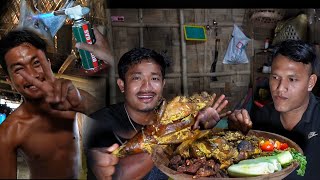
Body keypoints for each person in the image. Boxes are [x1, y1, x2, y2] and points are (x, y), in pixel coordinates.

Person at [81, 45, 251, 180]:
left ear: (163, 84)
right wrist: (186, 132)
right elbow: (119, 175)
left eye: (154, 78)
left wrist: (207, 128)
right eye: (137, 78)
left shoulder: (171, 114)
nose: (147, 87)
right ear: (122, 85)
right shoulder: (99, 122)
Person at [0, 28, 109, 179]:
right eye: (19, 69)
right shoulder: (10, 131)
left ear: (48, 64)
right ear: (9, 80)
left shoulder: (76, 99)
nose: (32, 75)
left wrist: (85, 105)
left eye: (37, 63)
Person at [228, 39, 320, 180]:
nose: (280, 88)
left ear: (310, 83)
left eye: (292, 79)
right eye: (275, 77)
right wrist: (232, 129)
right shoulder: (262, 116)